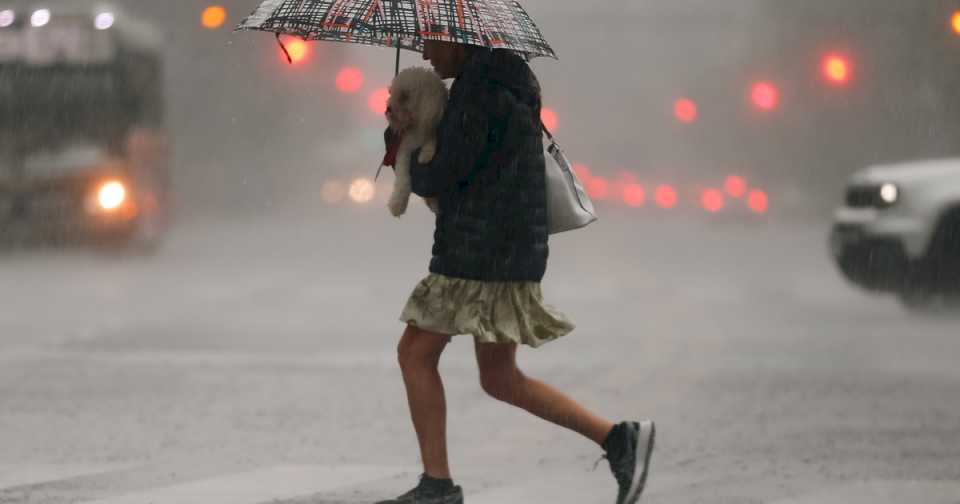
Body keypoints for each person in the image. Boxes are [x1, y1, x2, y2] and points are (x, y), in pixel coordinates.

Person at [377, 39, 655, 504]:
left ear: (456, 36)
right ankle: (618, 439)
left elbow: (448, 170)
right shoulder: (501, 79)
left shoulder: (480, 89)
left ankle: (437, 485)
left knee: (415, 353)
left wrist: (402, 144)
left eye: (432, 39)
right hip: (504, 248)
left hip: (480, 251)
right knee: (500, 377)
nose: (426, 52)